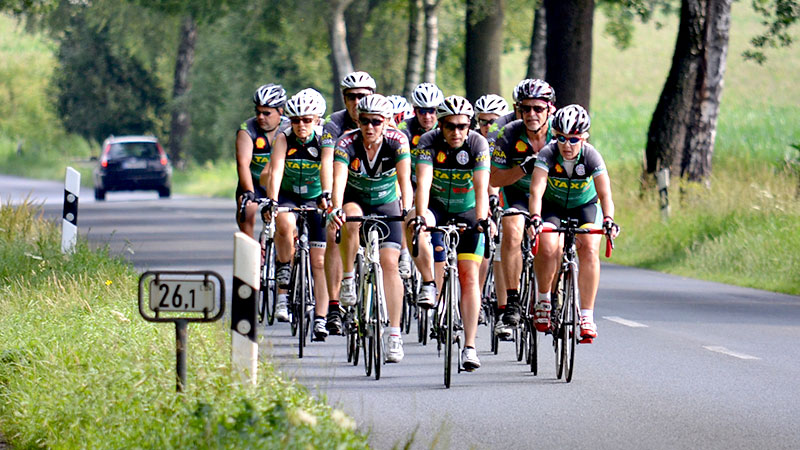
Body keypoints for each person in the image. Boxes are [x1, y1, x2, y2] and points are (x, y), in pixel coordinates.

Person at [405, 95, 491, 371]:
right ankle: (429, 282)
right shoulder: (428, 142)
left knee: (468, 276)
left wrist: (481, 220)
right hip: (437, 207)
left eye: (462, 126)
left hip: (467, 209)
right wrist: (421, 217)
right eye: (450, 126)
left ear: (469, 126)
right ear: (440, 125)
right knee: (413, 222)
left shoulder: (478, 143)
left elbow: (481, 188)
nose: (456, 132)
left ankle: (469, 346)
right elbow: (424, 184)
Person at [327, 94, 413, 362]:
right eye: (364, 121)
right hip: (356, 201)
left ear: (387, 122)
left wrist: (408, 209)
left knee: (389, 263)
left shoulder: (398, 141)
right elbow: (338, 180)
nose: (370, 127)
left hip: (387, 203)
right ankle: (349, 279)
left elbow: (405, 181)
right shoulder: (347, 142)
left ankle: (395, 334)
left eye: (376, 122)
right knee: (349, 216)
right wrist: (335, 208)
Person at [528, 104, 619, 343]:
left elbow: (605, 194)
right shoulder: (548, 154)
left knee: (589, 248)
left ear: (584, 138)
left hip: (584, 206)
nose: (567, 145)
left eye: (573, 139)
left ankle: (587, 315)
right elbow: (536, 191)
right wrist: (535, 218)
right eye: (561, 138)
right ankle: (544, 298)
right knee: (548, 246)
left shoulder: (591, 156)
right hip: (552, 207)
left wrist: (608, 220)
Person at [264, 89, 331, 340]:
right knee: (284, 220)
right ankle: (284, 276)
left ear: (317, 120)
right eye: (295, 120)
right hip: (289, 194)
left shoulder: (325, 138)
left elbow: (327, 166)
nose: (301, 125)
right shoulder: (284, 137)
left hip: (316, 196)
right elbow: (276, 170)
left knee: (319, 262)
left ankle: (322, 317)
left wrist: (327, 193)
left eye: (307, 120)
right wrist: (272, 200)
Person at [489, 79, 556, 328]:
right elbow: (495, 177)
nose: (531, 114)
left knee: (552, 243)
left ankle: (551, 296)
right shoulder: (506, 133)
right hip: (517, 193)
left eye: (538, 108)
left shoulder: (560, 134)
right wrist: (522, 168)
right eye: (525, 108)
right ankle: (513, 300)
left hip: (551, 196)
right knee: (512, 229)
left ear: (550, 109)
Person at [320, 71, 377, 336]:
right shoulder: (335, 123)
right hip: (347, 190)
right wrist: (328, 195)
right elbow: (327, 162)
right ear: (344, 98)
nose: (356, 102)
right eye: (351, 97)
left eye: (362, 96)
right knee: (336, 230)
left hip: (379, 192)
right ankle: (334, 304)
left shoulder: (380, 116)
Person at [474, 94, 512, 339]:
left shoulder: (508, 138)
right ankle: (475, 301)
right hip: (484, 194)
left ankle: (505, 309)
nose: (488, 127)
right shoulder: (476, 140)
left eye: (493, 121)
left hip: (508, 193)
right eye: (483, 121)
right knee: (488, 250)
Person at [397, 82, 444, 278]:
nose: (427, 116)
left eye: (432, 111)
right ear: (414, 111)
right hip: (411, 179)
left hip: (437, 185)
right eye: (422, 111)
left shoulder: (446, 129)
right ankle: (404, 253)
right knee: (402, 203)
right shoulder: (404, 129)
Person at [236, 83, 288, 237]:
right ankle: (250, 248)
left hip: (280, 182)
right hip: (254, 182)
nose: (260, 117)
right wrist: (249, 192)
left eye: (266, 113)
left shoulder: (289, 127)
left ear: (280, 111)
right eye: (258, 112)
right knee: (248, 208)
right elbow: (243, 164)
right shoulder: (247, 129)